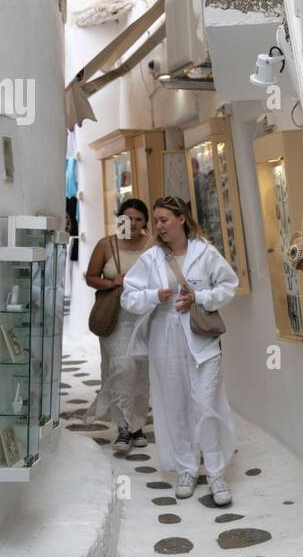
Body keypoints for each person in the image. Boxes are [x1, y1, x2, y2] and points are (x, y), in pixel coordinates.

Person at [121, 196, 239, 505]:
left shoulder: (206, 252)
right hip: (165, 335)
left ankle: (215, 472)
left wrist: (199, 298)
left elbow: (229, 285)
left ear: (181, 219)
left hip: (201, 337)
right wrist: (151, 296)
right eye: (156, 221)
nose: (158, 226)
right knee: (174, 402)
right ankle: (186, 467)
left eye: (163, 220)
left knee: (206, 402)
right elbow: (128, 297)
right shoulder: (151, 259)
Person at [85, 198, 152, 454]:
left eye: (138, 219)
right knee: (121, 367)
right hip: (116, 318)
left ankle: (137, 425)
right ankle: (123, 426)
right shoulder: (107, 244)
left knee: (140, 371)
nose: (132, 223)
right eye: (127, 218)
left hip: (145, 318)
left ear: (145, 222)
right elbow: (91, 277)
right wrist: (113, 282)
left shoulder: (152, 245)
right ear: (119, 219)